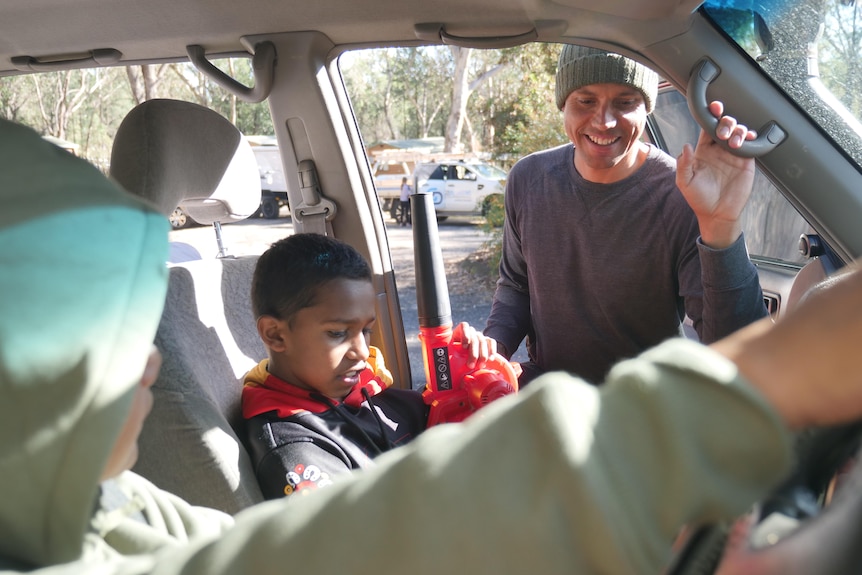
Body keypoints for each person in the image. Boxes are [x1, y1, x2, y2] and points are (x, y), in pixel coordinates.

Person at [6, 116, 862, 575]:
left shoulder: (104, 514)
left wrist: (478, 394)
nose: (150, 358)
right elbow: (332, 547)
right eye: (103, 339)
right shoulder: (284, 432)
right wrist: (763, 377)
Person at [484, 45, 767, 385]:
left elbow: (738, 351)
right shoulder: (529, 179)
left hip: (644, 409)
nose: (604, 122)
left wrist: (721, 225)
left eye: (625, 102)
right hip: (551, 396)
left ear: (647, 107)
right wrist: (492, 353)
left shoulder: (682, 193)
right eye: (585, 101)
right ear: (564, 105)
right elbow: (516, 285)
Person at [242, 233, 496, 498]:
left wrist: (459, 382)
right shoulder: (297, 449)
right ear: (275, 334)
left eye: (366, 330)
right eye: (338, 333)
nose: (362, 352)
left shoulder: (361, 392)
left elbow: (434, 415)